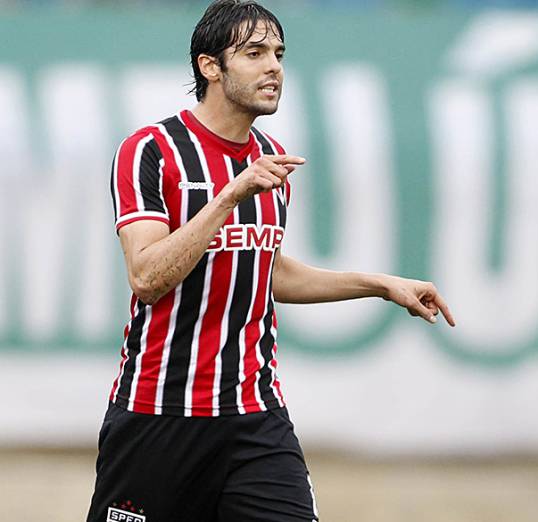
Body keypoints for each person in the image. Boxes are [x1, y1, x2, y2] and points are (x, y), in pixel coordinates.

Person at [88, 1, 455, 520]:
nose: (274, 67)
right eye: (254, 53)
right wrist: (229, 196)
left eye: (279, 54)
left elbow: (269, 269)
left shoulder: (269, 156)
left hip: (254, 413)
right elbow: (147, 276)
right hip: (159, 412)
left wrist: (380, 284)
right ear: (209, 66)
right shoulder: (151, 150)